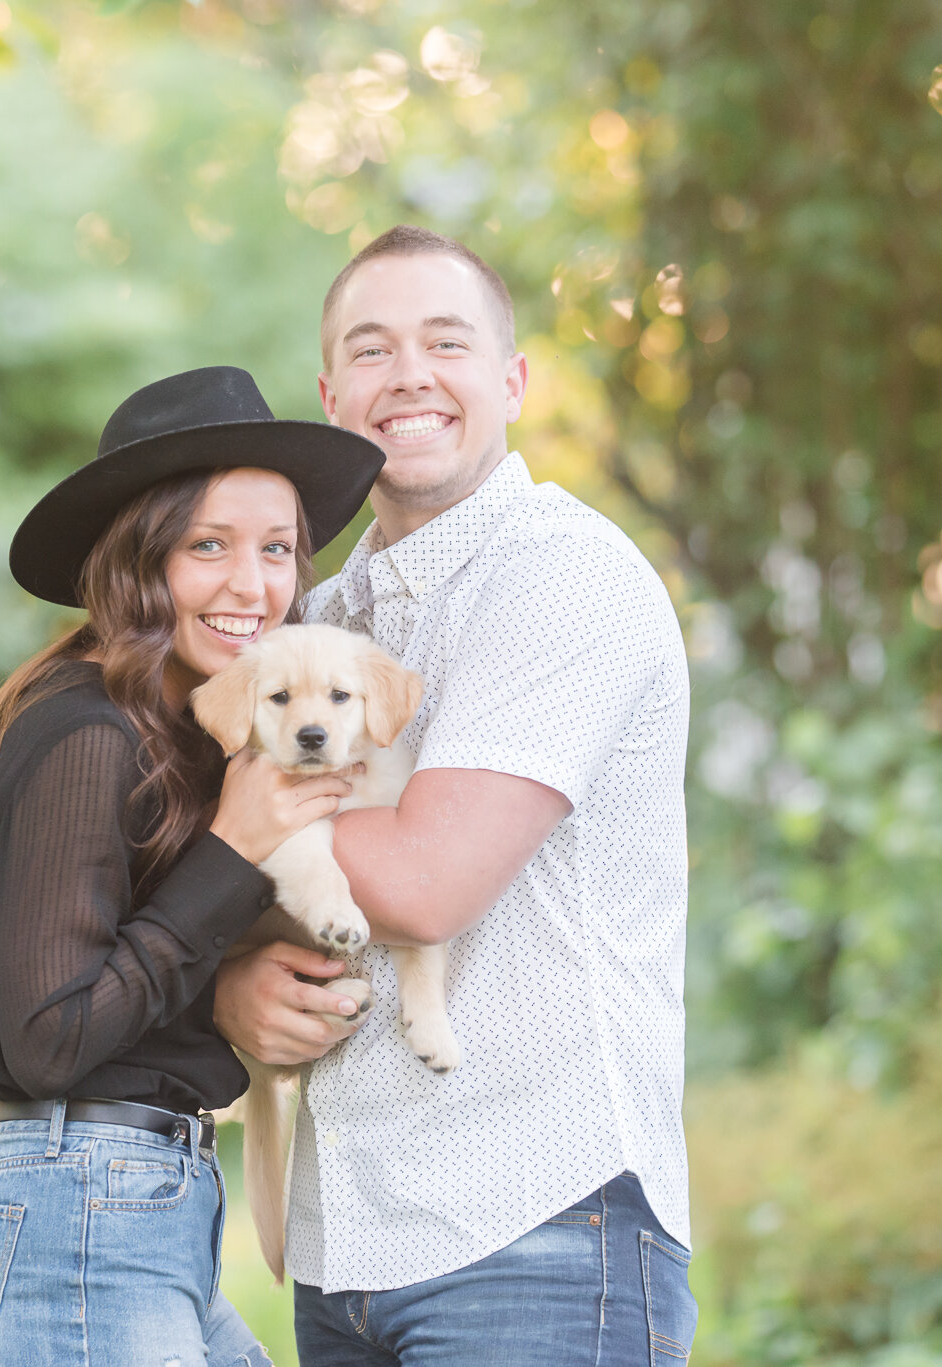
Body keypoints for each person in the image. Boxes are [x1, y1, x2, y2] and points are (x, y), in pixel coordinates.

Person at [213, 226, 696, 1365]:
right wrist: (231, 981)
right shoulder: (323, 617)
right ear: (333, 396)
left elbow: (425, 882)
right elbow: (243, 888)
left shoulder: (562, 576)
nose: (409, 375)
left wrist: (225, 798)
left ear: (513, 381)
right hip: (346, 1251)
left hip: (536, 1225)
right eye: (371, 350)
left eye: (446, 341)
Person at [0, 366, 386, 1367]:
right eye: (205, 546)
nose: (252, 586)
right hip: (74, 1221)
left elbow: (119, 978)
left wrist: (225, 979)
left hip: (131, 1217)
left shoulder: (179, 736)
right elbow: (49, 1036)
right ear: (139, 562)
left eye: (275, 549)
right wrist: (232, 849)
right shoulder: (85, 732)